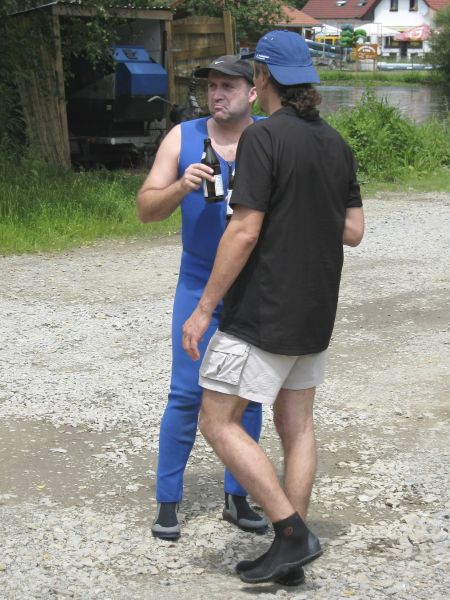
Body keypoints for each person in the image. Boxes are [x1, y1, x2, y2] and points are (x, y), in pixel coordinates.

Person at [182, 30, 364, 585]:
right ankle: (292, 555)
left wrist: (204, 307)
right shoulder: (335, 142)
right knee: (297, 425)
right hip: (316, 309)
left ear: (262, 77)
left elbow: (243, 231)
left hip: (265, 309)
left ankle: (290, 533)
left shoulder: (262, 138)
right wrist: (306, 208)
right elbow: (353, 230)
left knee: (217, 420)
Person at [136, 55, 268, 541]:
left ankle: (239, 495)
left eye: (228, 85)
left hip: (254, 285)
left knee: (247, 395)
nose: (217, 94)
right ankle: (168, 501)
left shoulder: (268, 136)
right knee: (186, 393)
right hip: (197, 282)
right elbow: (146, 209)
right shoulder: (183, 137)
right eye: (212, 85)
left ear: (252, 92)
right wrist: (180, 186)